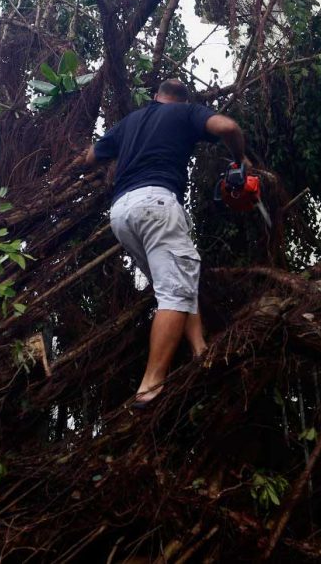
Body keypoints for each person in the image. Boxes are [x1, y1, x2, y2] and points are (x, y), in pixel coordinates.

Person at [83, 78, 253, 406]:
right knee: (175, 289)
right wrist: (239, 160)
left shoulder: (130, 122)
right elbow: (228, 126)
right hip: (157, 205)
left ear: (156, 96)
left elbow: (91, 156)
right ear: (183, 99)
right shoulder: (186, 113)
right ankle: (150, 387)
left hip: (121, 214)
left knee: (173, 282)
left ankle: (199, 348)